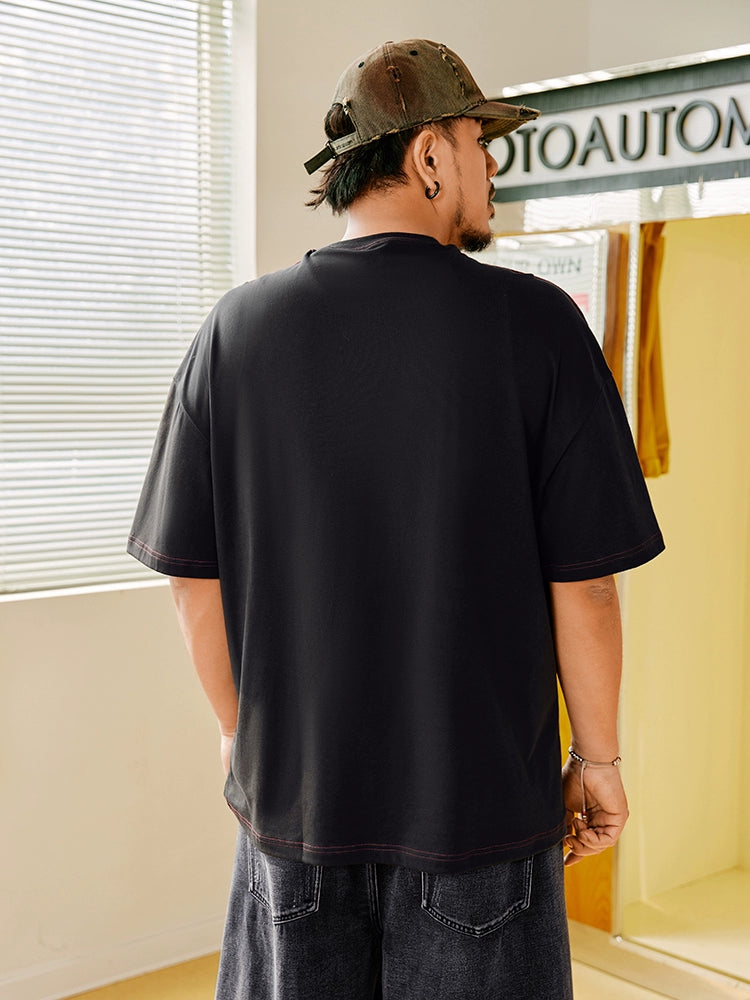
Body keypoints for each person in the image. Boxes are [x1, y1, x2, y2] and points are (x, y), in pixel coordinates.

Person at [128, 38, 664, 1000]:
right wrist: (598, 760)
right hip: (479, 820)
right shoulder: (537, 325)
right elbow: (585, 585)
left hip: (296, 812)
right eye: (479, 142)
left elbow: (190, 578)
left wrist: (240, 733)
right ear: (428, 156)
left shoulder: (236, 330)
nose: (492, 166)